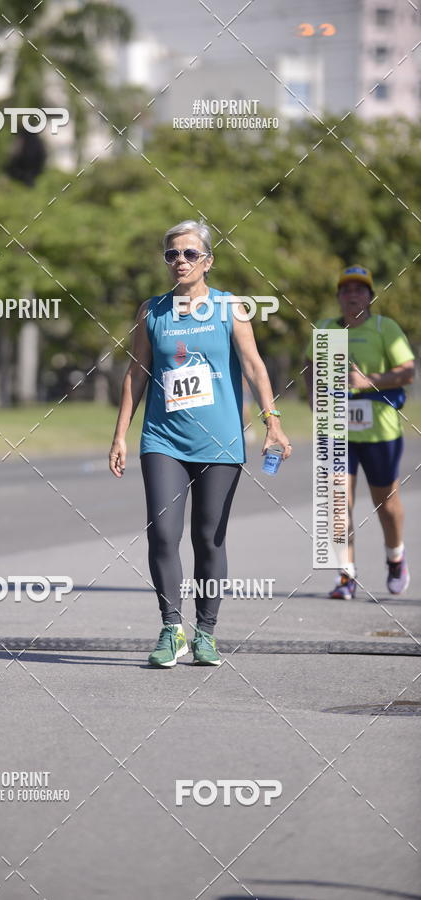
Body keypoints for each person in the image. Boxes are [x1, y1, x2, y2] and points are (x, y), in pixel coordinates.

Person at [108, 219, 291, 667]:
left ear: (208, 261)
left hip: (221, 442)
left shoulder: (231, 308)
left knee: (209, 539)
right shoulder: (152, 311)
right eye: (172, 254)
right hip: (163, 438)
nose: (181, 262)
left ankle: (205, 631)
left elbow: (254, 366)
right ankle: (172, 630)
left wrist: (273, 423)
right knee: (163, 534)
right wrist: (120, 434)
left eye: (190, 254)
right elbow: (136, 372)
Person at [304, 265, 415, 599]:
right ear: (339, 296)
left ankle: (395, 556)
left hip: (379, 430)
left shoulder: (385, 328)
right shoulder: (324, 328)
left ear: (370, 296)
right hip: (337, 429)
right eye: (346, 289)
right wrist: (312, 396)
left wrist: (369, 381)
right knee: (338, 501)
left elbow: (407, 372)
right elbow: (310, 366)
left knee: (387, 504)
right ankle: (346, 576)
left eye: (360, 289)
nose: (353, 294)